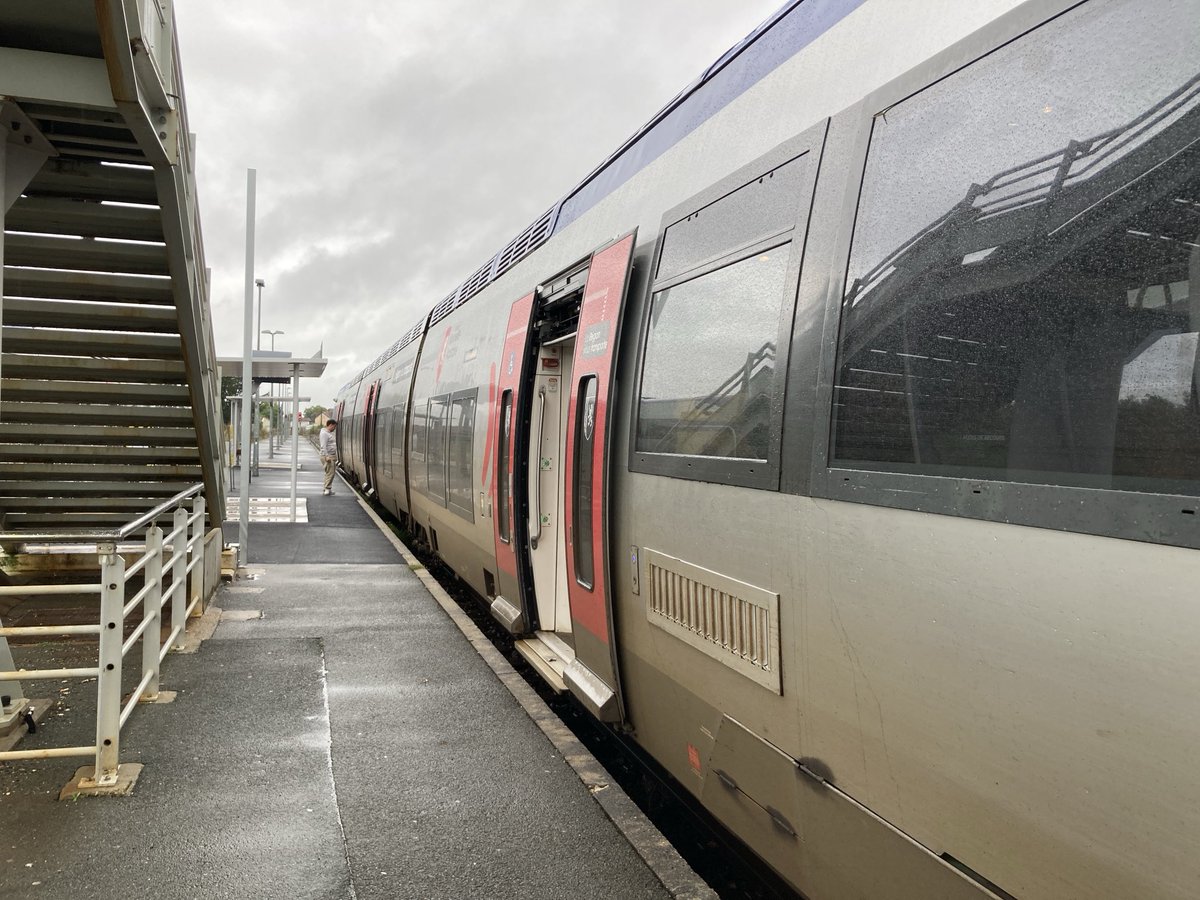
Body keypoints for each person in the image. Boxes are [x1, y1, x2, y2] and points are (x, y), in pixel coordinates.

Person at [319, 419, 338, 495]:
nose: (334, 428)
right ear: (330, 425)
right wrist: (327, 456)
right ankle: (327, 489)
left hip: (330, 455)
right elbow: (323, 446)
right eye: (334, 426)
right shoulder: (324, 434)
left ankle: (327, 488)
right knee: (330, 473)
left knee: (330, 472)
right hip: (327, 456)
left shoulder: (328, 433)